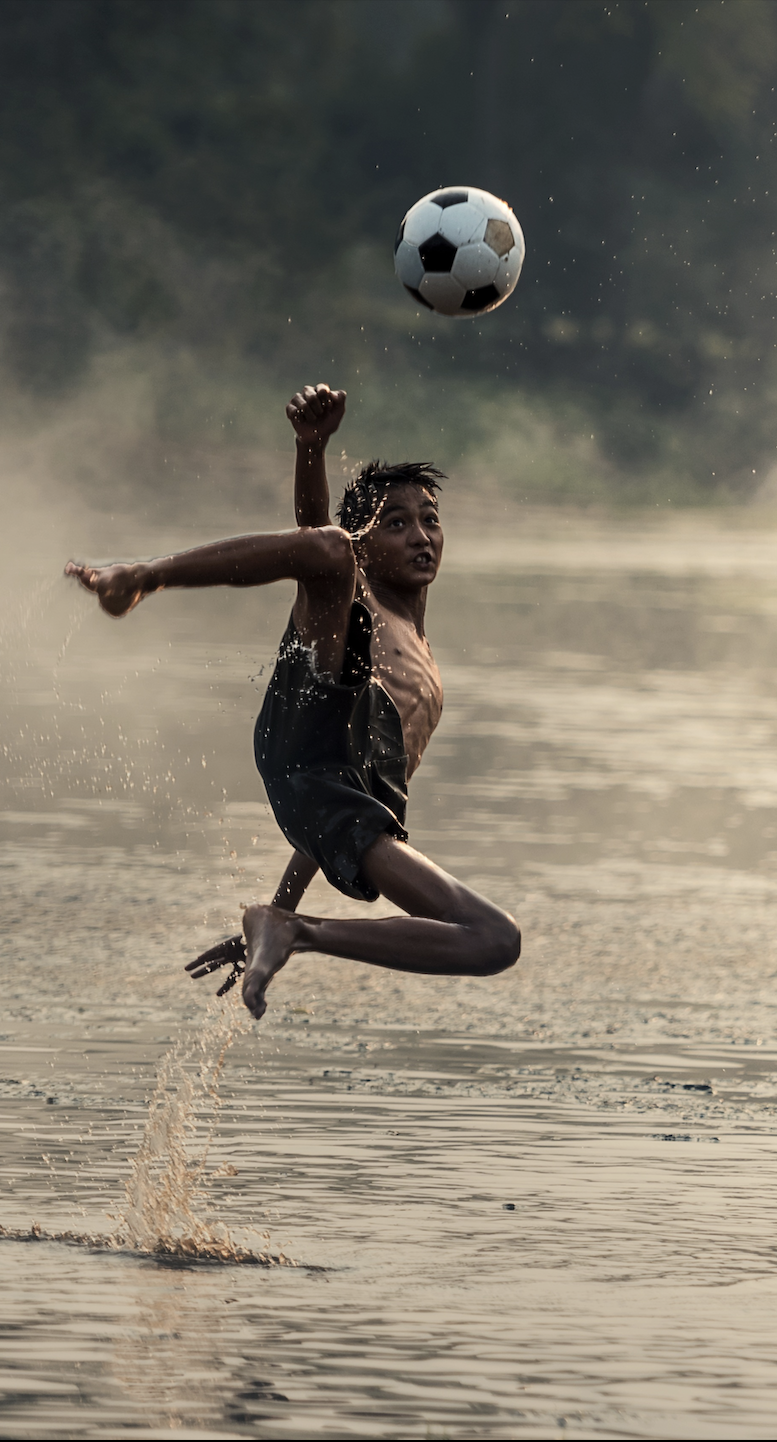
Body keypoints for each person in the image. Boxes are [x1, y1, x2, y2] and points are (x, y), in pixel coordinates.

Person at [64, 385, 519, 1019]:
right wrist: (312, 449)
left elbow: (333, 812)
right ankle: (141, 577)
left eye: (430, 519)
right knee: (324, 553)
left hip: (332, 787)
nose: (421, 535)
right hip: (310, 710)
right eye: (396, 522)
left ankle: (292, 931)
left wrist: (284, 907)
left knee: (495, 940)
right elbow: (315, 538)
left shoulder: (425, 671)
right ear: (368, 543)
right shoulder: (357, 590)